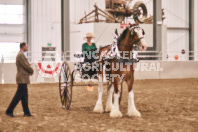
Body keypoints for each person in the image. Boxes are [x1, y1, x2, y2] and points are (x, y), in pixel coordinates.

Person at [6, 42, 34, 117]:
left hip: (23, 78)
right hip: (22, 78)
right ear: (23, 47)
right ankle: (9, 111)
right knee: (18, 96)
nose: (27, 47)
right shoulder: (20, 55)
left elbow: (25, 65)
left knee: (24, 96)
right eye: (26, 46)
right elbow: (25, 65)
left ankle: (26, 112)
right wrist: (31, 71)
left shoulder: (21, 55)